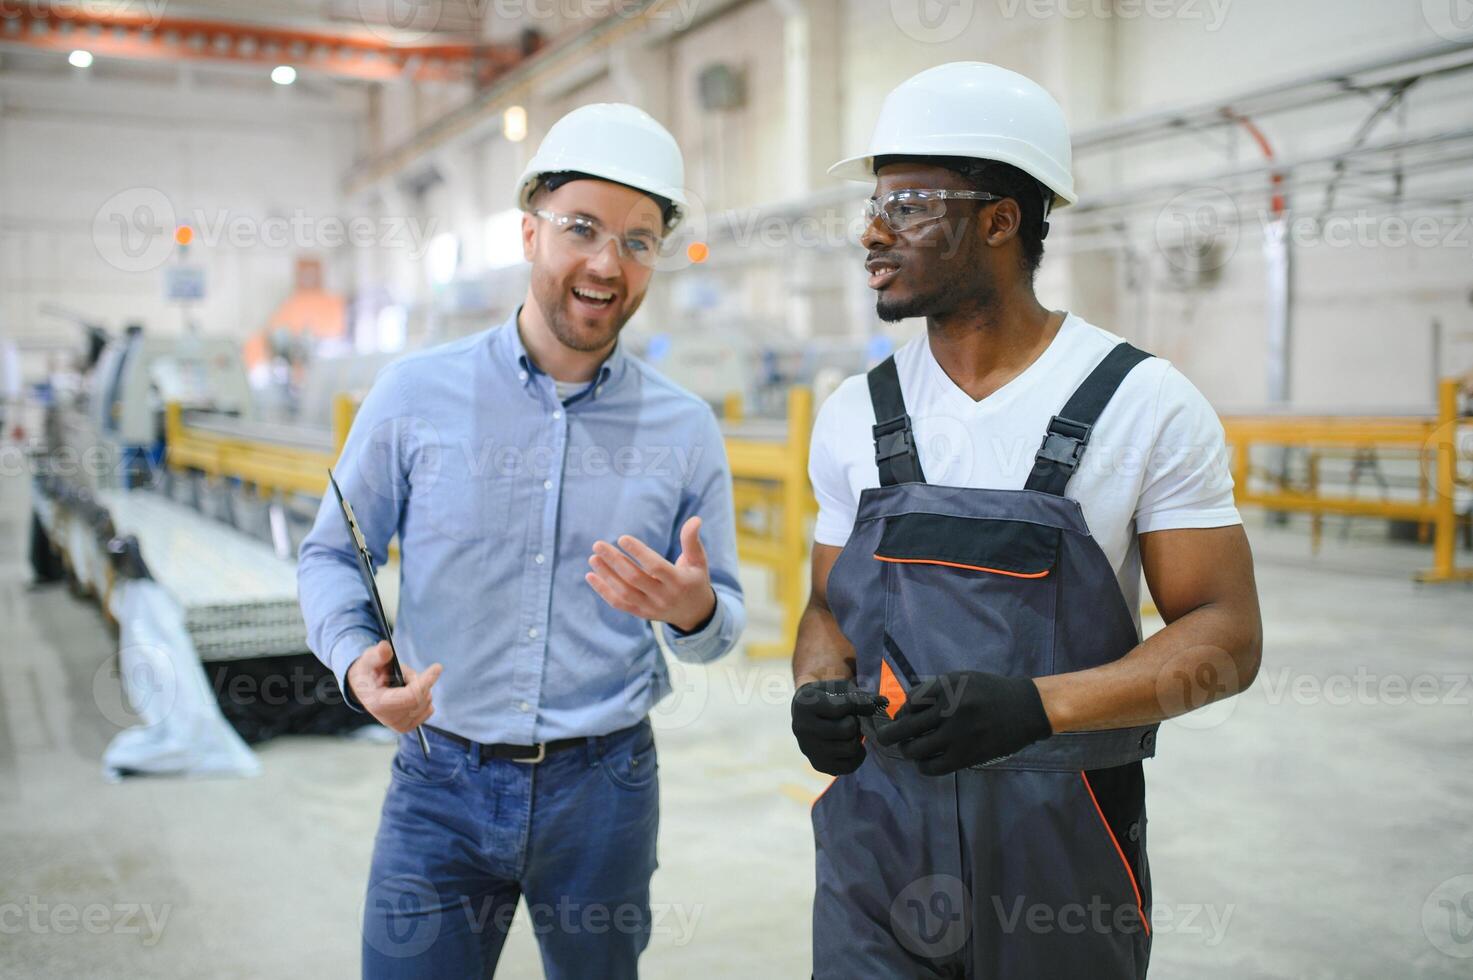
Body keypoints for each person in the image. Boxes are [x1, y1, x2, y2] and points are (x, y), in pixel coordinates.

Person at [789, 63, 1262, 978]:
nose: (871, 232)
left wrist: (1037, 707)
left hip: (1061, 838)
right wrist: (816, 688)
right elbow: (825, 610)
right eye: (872, 205)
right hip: (876, 841)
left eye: (909, 205)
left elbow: (1226, 637)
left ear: (1000, 220)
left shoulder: (1141, 404)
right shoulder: (855, 412)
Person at [298, 102, 745, 979]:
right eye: (581, 228)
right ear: (529, 231)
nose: (605, 264)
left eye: (638, 240)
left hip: (605, 790)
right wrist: (356, 660)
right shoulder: (413, 395)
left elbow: (721, 619)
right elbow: (332, 555)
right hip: (439, 781)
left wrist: (694, 612)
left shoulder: (683, 428)